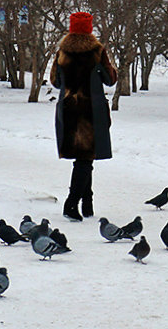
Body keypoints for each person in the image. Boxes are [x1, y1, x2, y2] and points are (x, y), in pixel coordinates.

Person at [49, 11, 117, 221]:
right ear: (90, 28)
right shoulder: (97, 51)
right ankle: (72, 203)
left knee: (83, 157)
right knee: (85, 158)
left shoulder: (62, 52)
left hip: (68, 109)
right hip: (91, 111)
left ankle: (87, 204)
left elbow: (55, 82)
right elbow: (110, 79)